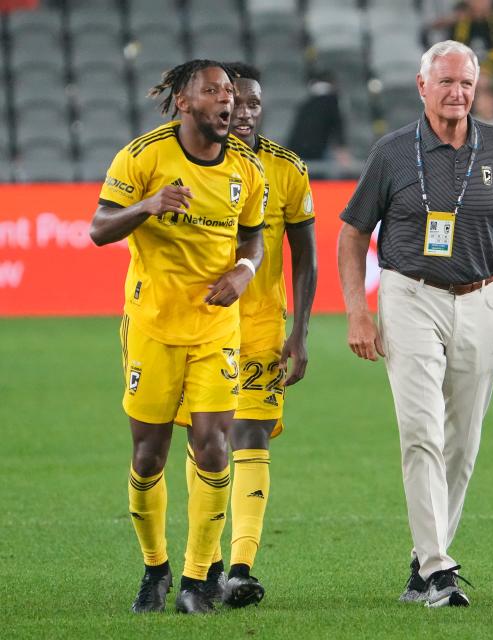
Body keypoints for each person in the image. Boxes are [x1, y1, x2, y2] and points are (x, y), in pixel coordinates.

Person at [337, 40, 493, 608]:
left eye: (467, 83)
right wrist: (358, 308)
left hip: (481, 297)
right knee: (420, 429)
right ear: (422, 86)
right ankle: (441, 571)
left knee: (463, 442)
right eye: (446, 82)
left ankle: (425, 560)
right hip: (410, 294)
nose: (458, 93)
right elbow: (352, 233)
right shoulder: (393, 152)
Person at [87, 59, 266, 614]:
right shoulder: (142, 156)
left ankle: (195, 579)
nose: (228, 101)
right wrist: (148, 205)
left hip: (215, 329)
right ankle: (154, 568)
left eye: (230, 93)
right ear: (184, 102)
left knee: (212, 445)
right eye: (213, 91)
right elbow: (97, 230)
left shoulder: (247, 171)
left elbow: (254, 240)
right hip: (152, 328)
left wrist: (244, 271)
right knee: (148, 456)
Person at [174, 61, 318, 609]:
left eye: (255, 103)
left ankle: (240, 568)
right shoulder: (189, 162)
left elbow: (304, 255)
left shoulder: (287, 169)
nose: (245, 112)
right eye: (237, 101)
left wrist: (299, 331)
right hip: (203, 321)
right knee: (203, 439)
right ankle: (203, 562)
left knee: (251, 436)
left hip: (261, 324)